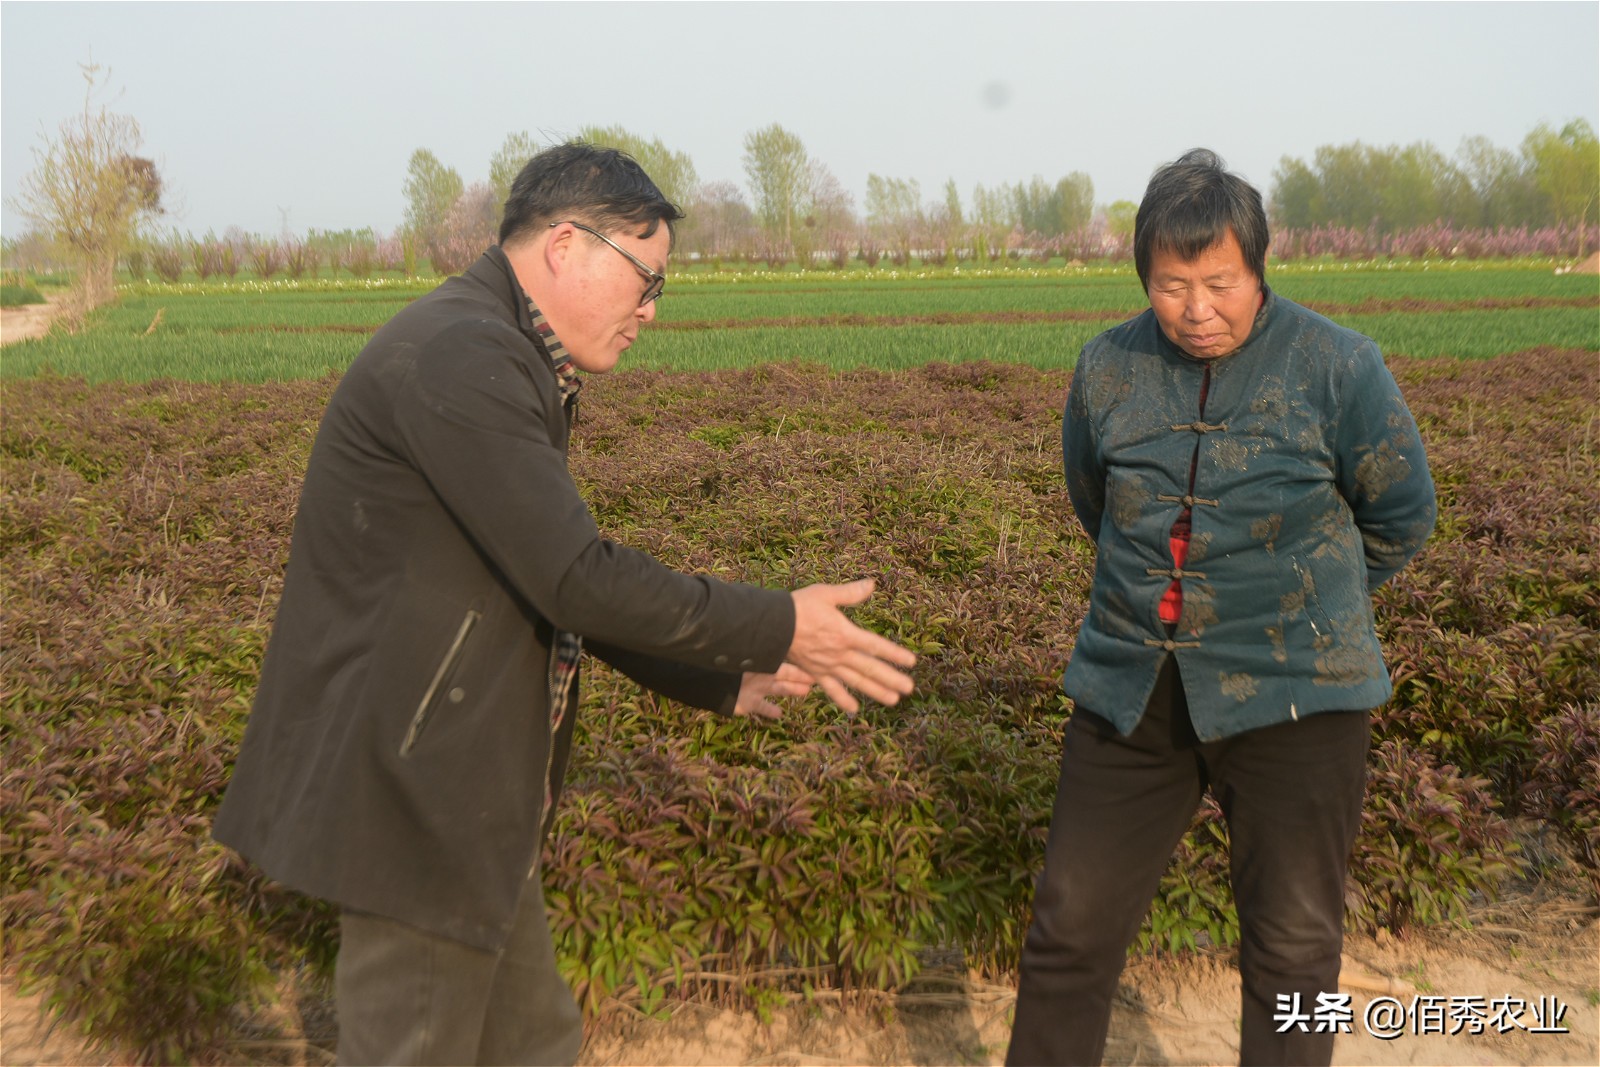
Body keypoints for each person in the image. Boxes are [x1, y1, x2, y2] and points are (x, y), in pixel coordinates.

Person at [212, 143, 917, 1066]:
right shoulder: (463, 357)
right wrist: (780, 622)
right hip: (415, 796)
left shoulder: (496, 347)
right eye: (645, 278)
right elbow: (574, 575)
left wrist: (722, 669)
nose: (651, 310)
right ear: (566, 245)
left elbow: (540, 580)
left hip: (462, 796)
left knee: (535, 1041)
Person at [1005, 149, 1436, 1067]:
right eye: (1171, 285)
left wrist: (1309, 610)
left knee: (1293, 948)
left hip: (1300, 700)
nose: (1197, 309)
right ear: (1143, 279)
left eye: (1220, 283)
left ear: (1259, 268)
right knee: (1069, 932)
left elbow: (1402, 514)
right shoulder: (1108, 369)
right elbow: (1096, 500)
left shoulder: (1338, 365)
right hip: (1133, 687)